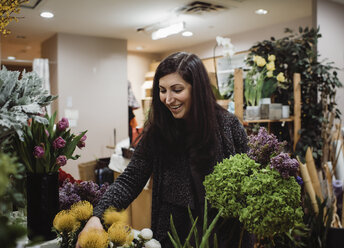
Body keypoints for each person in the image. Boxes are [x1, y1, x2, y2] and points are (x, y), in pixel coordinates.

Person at [76, 52, 252, 247]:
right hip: (174, 234)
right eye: (162, 90)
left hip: (224, 235)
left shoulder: (228, 126)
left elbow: (249, 187)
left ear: (198, 89)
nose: (168, 99)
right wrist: (97, 217)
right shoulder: (159, 131)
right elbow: (130, 179)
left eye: (177, 90)